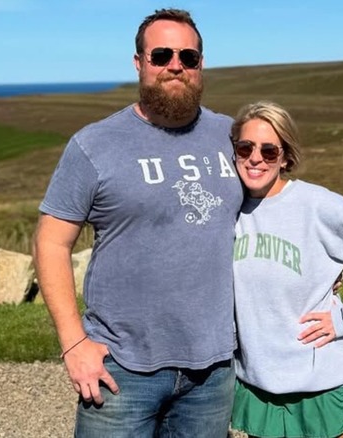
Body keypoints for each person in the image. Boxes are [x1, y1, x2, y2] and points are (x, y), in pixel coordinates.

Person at [32, 9, 242, 437]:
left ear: (201, 64)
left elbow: (270, 212)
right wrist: (73, 344)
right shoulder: (94, 145)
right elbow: (51, 242)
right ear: (139, 63)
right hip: (122, 367)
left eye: (189, 56)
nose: (175, 65)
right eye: (161, 54)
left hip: (214, 370)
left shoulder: (232, 137)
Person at [229, 101, 343, 438]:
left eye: (269, 151)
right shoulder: (230, 210)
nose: (255, 158)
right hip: (262, 385)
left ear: (285, 157)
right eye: (245, 147)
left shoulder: (315, 205)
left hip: (324, 383)